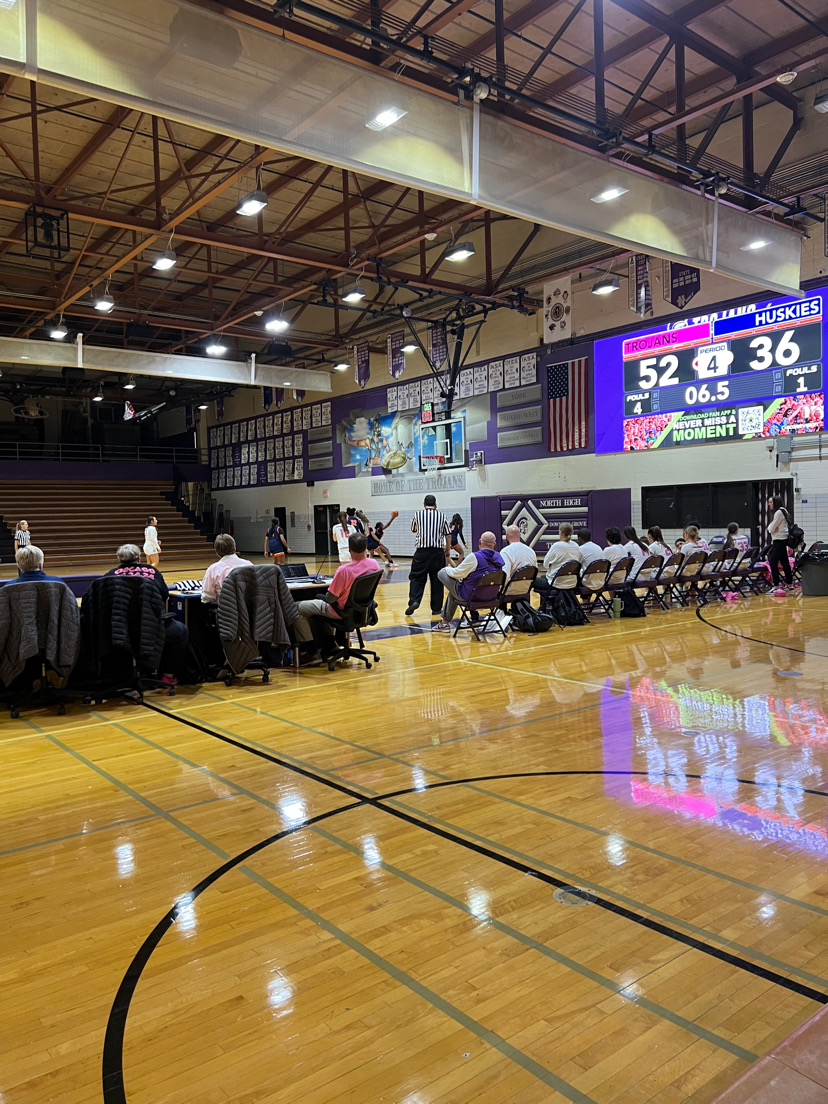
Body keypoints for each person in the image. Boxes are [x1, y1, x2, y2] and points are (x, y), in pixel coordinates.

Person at [104, 543, 190, 683]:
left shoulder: (109, 575)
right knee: (181, 632)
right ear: (139, 559)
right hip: (151, 628)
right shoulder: (152, 572)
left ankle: (120, 677)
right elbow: (163, 596)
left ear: (119, 560)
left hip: (120, 630)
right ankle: (168, 675)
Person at [293, 532, 382, 662]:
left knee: (297, 608)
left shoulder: (343, 571)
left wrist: (320, 596)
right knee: (329, 606)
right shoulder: (374, 564)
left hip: (340, 611)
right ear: (366, 547)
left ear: (349, 549)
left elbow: (330, 599)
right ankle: (330, 644)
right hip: (362, 610)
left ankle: (310, 650)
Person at [433, 531, 505, 631]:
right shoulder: (499, 557)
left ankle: (444, 624)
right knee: (454, 592)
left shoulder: (475, 557)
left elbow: (457, 573)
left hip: (471, 597)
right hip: (492, 597)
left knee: (442, 573)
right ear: (495, 544)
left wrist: (446, 568)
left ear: (479, 542)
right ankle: (444, 623)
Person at [406, 495, 451, 617]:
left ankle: (414, 601)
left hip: (422, 552)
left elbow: (413, 530)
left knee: (416, 578)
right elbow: (448, 535)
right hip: (437, 552)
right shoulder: (442, 516)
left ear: (424, 504)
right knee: (437, 580)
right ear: (435, 505)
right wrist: (447, 550)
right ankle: (436, 609)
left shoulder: (418, 514)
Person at [202, 534, 254, 603]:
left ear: (217, 552)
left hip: (226, 611)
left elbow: (207, 597)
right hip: (250, 610)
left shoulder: (213, 570)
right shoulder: (249, 565)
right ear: (234, 549)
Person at [537, 522, 581, 593]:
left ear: (560, 533)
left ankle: (545, 604)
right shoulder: (576, 546)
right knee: (543, 577)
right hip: (572, 583)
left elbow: (545, 565)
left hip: (557, 584)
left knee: (534, 581)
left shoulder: (556, 546)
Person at [767, 494, 794, 588]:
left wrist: (771, 528)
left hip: (779, 539)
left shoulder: (779, 512)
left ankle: (776, 586)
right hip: (782, 539)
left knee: (772, 561)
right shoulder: (784, 510)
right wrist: (773, 528)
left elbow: (771, 528)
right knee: (784, 562)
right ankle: (789, 584)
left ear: (775, 502)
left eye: (770, 502)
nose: (769, 504)